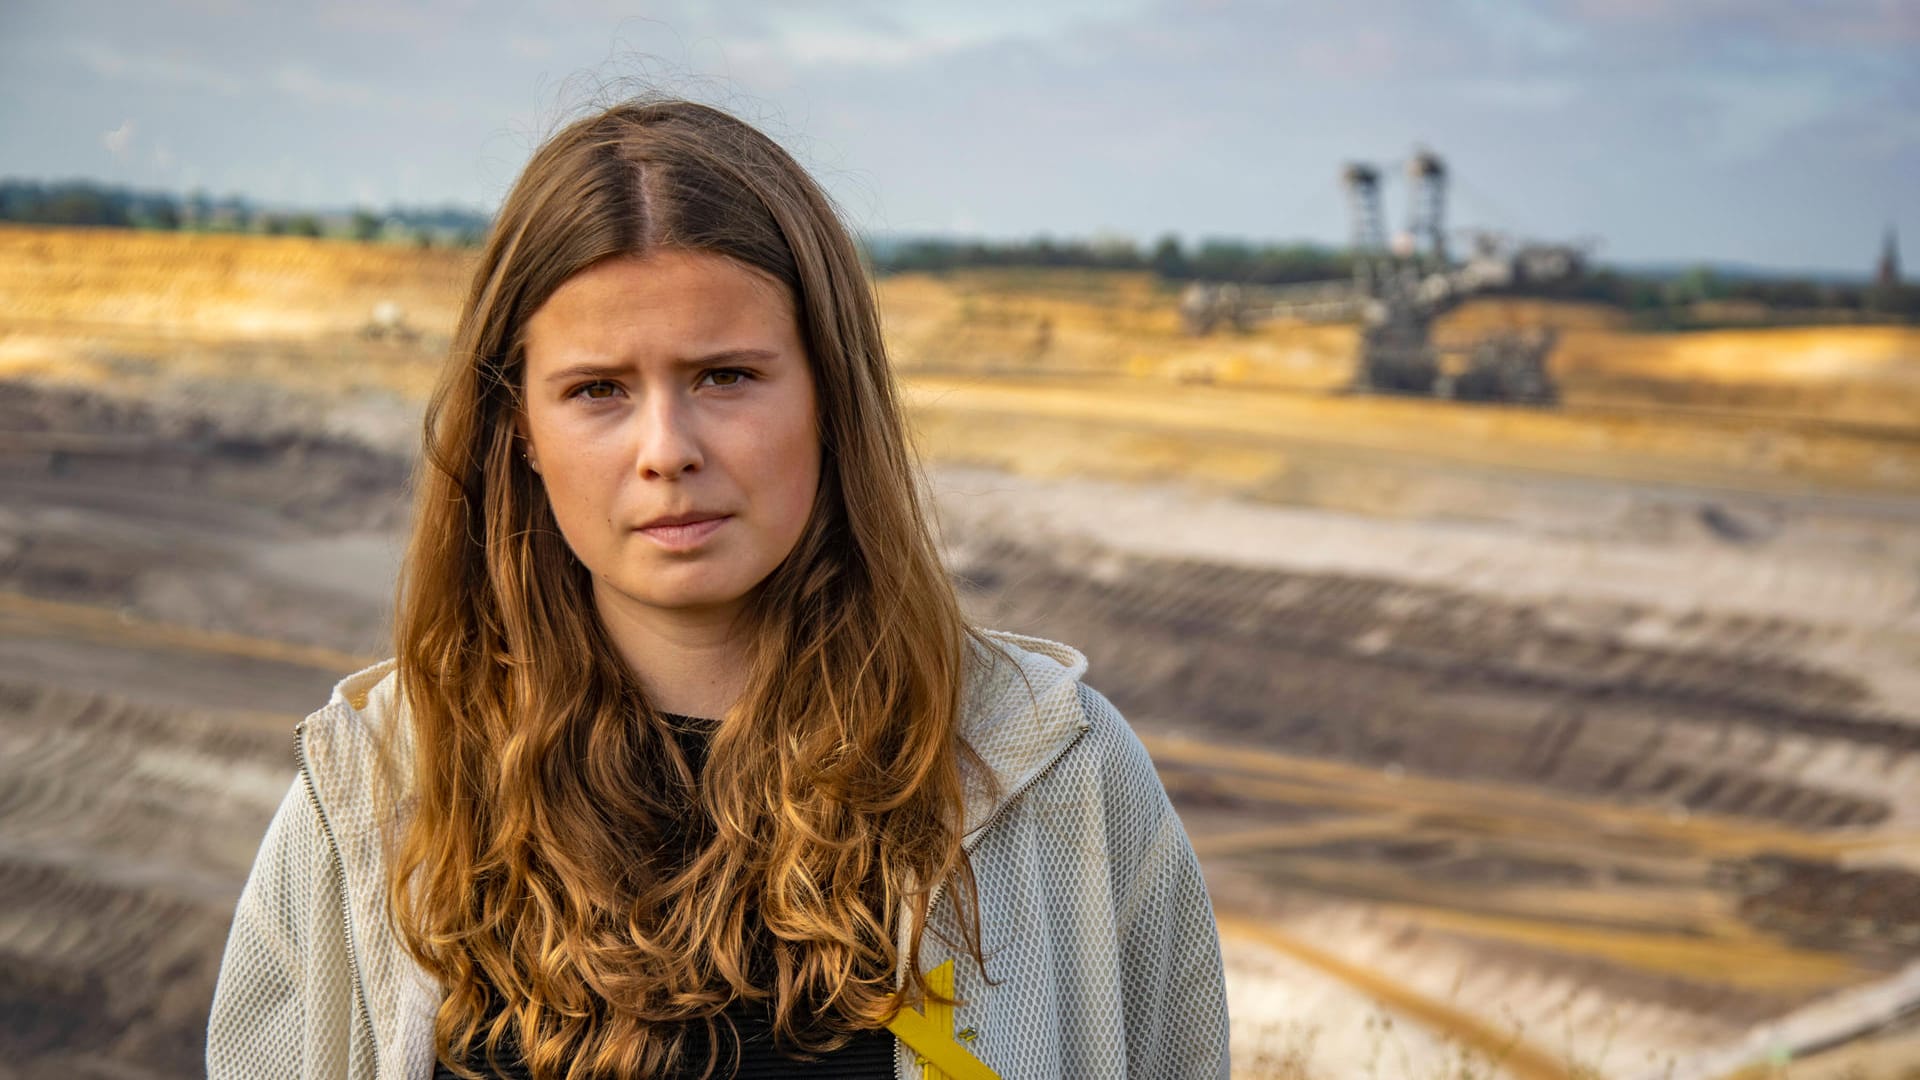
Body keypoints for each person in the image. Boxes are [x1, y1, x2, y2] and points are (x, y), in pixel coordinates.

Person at [205, 97, 1229, 1080]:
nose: (667, 451)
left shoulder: (1055, 777)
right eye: (598, 389)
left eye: (725, 377)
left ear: (831, 391)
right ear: (516, 426)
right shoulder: (381, 792)